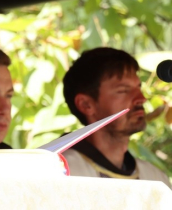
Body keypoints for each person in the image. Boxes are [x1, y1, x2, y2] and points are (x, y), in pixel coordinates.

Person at [62, 47, 171, 188]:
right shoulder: (60, 173)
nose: (141, 98)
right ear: (86, 104)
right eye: (123, 90)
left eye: (139, 88)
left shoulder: (155, 179)